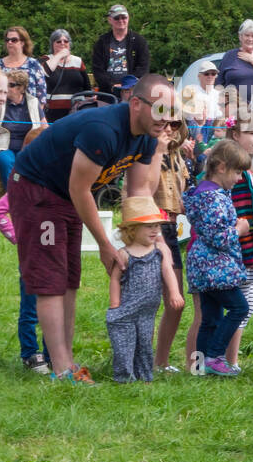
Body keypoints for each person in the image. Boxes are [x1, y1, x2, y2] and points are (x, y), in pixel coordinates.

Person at [10, 72, 174, 382]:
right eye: (160, 109)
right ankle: (61, 370)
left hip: (66, 193)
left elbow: (137, 194)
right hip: (38, 188)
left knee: (70, 279)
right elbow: (80, 190)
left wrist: (151, 240)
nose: (167, 120)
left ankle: (67, 361)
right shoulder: (104, 130)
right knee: (50, 280)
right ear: (136, 103)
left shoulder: (148, 136)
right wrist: (105, 245)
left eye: (171, 111)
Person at [183, 139, 251, 377]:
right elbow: (218, 237)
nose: (239, 178)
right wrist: (239, 230)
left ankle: (200, 365)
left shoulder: (203, 193)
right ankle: (214, 356)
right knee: (239, 308)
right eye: (237, 172)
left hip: (202, 266)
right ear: (221, 167)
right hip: (214, 267)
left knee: (210, 318)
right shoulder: (213, 198)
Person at [106, 196, 182, 383]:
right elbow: (115, 279)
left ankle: (145, 375)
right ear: (132, 229)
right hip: (127, 310)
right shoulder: (125, 254)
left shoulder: (160, 250)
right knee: (125, 343)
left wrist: (174, 292)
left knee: (145, 344)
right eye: (149, 226)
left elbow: (168, 271)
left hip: (147, 311)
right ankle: (124, 377)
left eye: (157, 226)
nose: (155, 230)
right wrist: (115, 304)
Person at [223, 114, 253, 372]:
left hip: (249, 249)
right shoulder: (232, 173)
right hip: (237, 252)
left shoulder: (246, 170)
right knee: (241, 306)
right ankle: (226, 361)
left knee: (245, 305)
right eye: (252, 133)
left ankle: (229, 359)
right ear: (235, 135)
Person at [153, 117, 194, 374]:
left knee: (175, 301)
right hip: (150, 227)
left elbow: (185, 193)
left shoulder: (178, 156)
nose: (170, 129)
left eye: (176, 123)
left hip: (172, 228)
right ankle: (141, 359)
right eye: (165, 123)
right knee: (148, 300)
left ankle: (160, 361)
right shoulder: (145, 152)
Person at [0, 176, 49, 373]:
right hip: (31, 256)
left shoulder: (59, 183)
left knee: (55, 305)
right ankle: (30, 353)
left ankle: (51, 353)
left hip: (56, 255)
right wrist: (17, 237)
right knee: (31, 307)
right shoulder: (22, 187)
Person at [0, 69, 48, 188]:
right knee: (6, 161)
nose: (6, 88)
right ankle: (12, 196)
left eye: (10, 85)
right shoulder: (1, 101)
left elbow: (44, 126)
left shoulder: (33, 102)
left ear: (21, 88)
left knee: (30, 164)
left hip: (27, 146)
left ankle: (28, 197)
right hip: (5, 146)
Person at [216, 20, 253, 115]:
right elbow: (218, 84)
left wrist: (252, 60)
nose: (250, 39)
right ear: (240, 37)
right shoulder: (229, 56)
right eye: (247, 35)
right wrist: (222, 106)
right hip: (232, 109)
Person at [91, 4, 149, 96]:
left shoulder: (139, 41)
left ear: (128, 18)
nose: (121, 20)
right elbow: (98, 69)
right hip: (108, 93)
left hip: (133, 92)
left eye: (124, 17)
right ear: (110, 20)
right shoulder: (101, 42)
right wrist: (112, 85)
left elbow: (143, 67)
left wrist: (128, 85)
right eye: (117, 18)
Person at [41, 29, 90, 122]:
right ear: (52, 44)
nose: (62, 43)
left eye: (65, 41)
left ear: (69, 43)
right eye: (58, 41)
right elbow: (43, 73)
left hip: (76, 110)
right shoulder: (46, 59)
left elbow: (87, 88)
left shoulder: (78, 61)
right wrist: (59, 55)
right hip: (52, 113)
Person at [2, 26, 48, 117]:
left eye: (14, 40)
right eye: (7, 40)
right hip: (3, 116)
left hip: (30, 115)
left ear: (22, 42)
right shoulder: (0, 65)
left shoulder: (34, 64)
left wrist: (36, 117)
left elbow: (41, 95)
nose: (10, 42)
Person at [184, 60, 225, 146]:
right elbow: (185, 115)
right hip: (196, 128)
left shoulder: (219, 94)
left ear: (216, 76)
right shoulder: (191, 91)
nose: (210, 76)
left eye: (213, 74)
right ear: (199, 76)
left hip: (215, 129)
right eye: (206, 74)